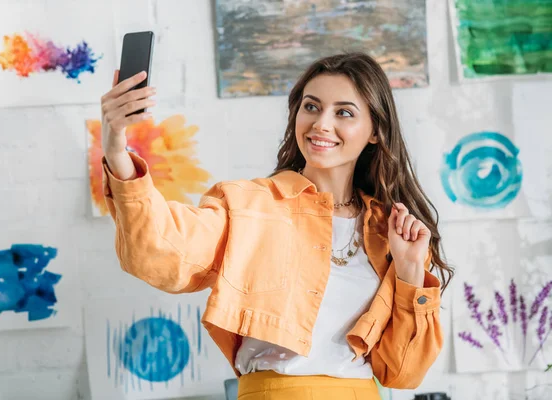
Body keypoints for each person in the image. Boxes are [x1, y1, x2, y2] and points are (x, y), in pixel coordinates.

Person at [99, 52, 453, 400]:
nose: (321, 124)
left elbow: (404, 373)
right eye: (311, 107)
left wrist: (409, 270)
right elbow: (160, 251)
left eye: (343, 112)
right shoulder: (247, 205)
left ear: (376, 131)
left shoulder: (391, 230)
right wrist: (116, 149)